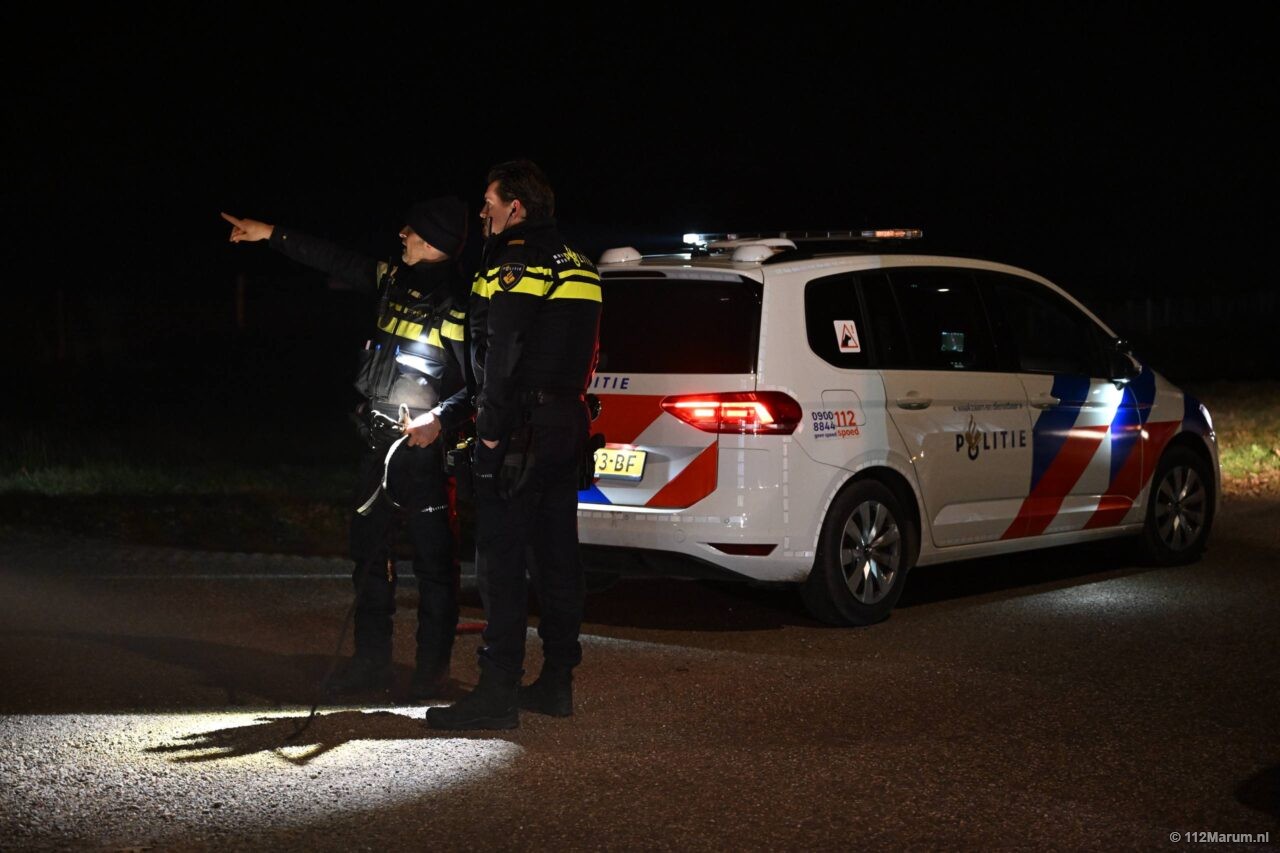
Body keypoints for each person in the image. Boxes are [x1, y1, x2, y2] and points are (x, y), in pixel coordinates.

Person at [220, 197, 471, 700]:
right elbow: (335, 259)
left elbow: (482, 386)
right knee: (368, 558)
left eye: (412, 230)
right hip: (377, 444)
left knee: (434, 565)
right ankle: (370, 664)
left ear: (433, 241)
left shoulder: (462, 301)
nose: (401, 234)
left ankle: (431, 673)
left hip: (425, 453)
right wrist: (270, 232)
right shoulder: (392, 278)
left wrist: (439, 419)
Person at [423, 160, 601, 730]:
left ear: (515, 207)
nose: (483, 212)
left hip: (520, 428)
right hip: (566, 423)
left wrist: (491, 432)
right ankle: (556, 682)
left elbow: (502, 350)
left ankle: (496, 694)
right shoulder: (579, 261)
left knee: (500, 561)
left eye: (490, 202)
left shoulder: (514, 262)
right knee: (557, 557)